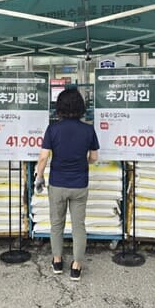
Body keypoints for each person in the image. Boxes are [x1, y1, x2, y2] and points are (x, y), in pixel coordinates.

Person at [35, 88, 99, 281]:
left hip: (57, 184)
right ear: (80, 106)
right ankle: (76, 266)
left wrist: (39, 177)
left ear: (60, 107)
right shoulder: (88, 129)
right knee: (78, 225)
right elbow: (94, 157)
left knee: (57, 224)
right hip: (79, 184)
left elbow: (44, 157)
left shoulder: (53, 129)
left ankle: (56, 261)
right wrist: (81, 163)